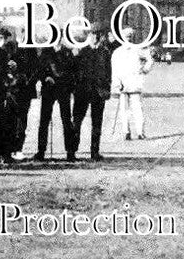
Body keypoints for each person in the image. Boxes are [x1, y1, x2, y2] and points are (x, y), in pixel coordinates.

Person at [70, 26, 112, 161]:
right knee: (76, 122)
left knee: (97, 123)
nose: (96, 37)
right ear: (88, 36)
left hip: (98, 93)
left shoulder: (104, 53)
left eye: (98, 34)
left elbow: (108, 73)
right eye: (93, 34)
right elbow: (74, 72)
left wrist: (107, 89)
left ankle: (95, 152)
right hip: (82, 92)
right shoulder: (80, 52)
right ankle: (71, 152)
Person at [33, 39, 75, 161]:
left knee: (66, 120)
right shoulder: (46, 52)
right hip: (49, 90)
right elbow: (39, 69)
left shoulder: (67, 52)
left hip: (63, 89)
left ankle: (70, 152)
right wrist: (45, 77)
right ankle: (41, 151)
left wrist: (69, 85)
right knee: (44, 121)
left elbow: (72, 70)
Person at [111, 27, 154, 141]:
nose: (128, 39)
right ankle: (126, 132)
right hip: (123, 84)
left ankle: (140, 132)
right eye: (126, 37)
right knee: (124, 110)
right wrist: (116, 83)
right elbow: (114, 70)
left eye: (130, 37)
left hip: (135, 83)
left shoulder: (138, 49)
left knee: (137, 108)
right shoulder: (117, 52)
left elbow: (149, 59)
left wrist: (145, 69)